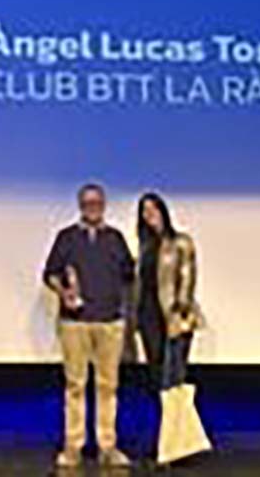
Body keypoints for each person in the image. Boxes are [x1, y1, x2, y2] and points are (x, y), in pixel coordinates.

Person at [43, 183, 135, 469]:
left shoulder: (115, 238)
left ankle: (108, 446)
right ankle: (73, 447)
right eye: (87, 203)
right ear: (80, 206)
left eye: (96, 202)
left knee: (108, 386)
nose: (92, 207)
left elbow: (129, 275)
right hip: (75, 324)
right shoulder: (66, 237)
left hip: (110, 322)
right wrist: (64, 293)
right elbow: (50, 274)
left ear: (103, 205)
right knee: (75, 386)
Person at [134, 192, 211, 465]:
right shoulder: (144, 248)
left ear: (163, 212)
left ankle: (175, 448)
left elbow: (187, 279)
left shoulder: (180, 242)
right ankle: (172, 443)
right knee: (159, 384)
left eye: (153, 209)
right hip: (149, 321)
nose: (149, 215)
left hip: (174, 319)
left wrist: (179, 312)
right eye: (144, 211)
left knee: (173, 383)